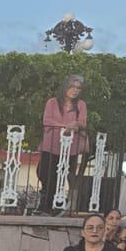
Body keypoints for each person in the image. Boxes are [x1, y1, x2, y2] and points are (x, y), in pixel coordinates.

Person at [37, 75, 88, 211]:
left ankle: (50, 205)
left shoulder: (81, 105)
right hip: (51, 144)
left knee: (61, 176)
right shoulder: (52, 102)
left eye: (78, 88)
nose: (75, 90)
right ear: (66, 87)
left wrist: (76, 124)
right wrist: (65, 125)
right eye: (72, 87)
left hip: (69, 147)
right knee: (44, 173)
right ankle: (45, 202)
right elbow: (47, 120)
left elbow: (82, 123)